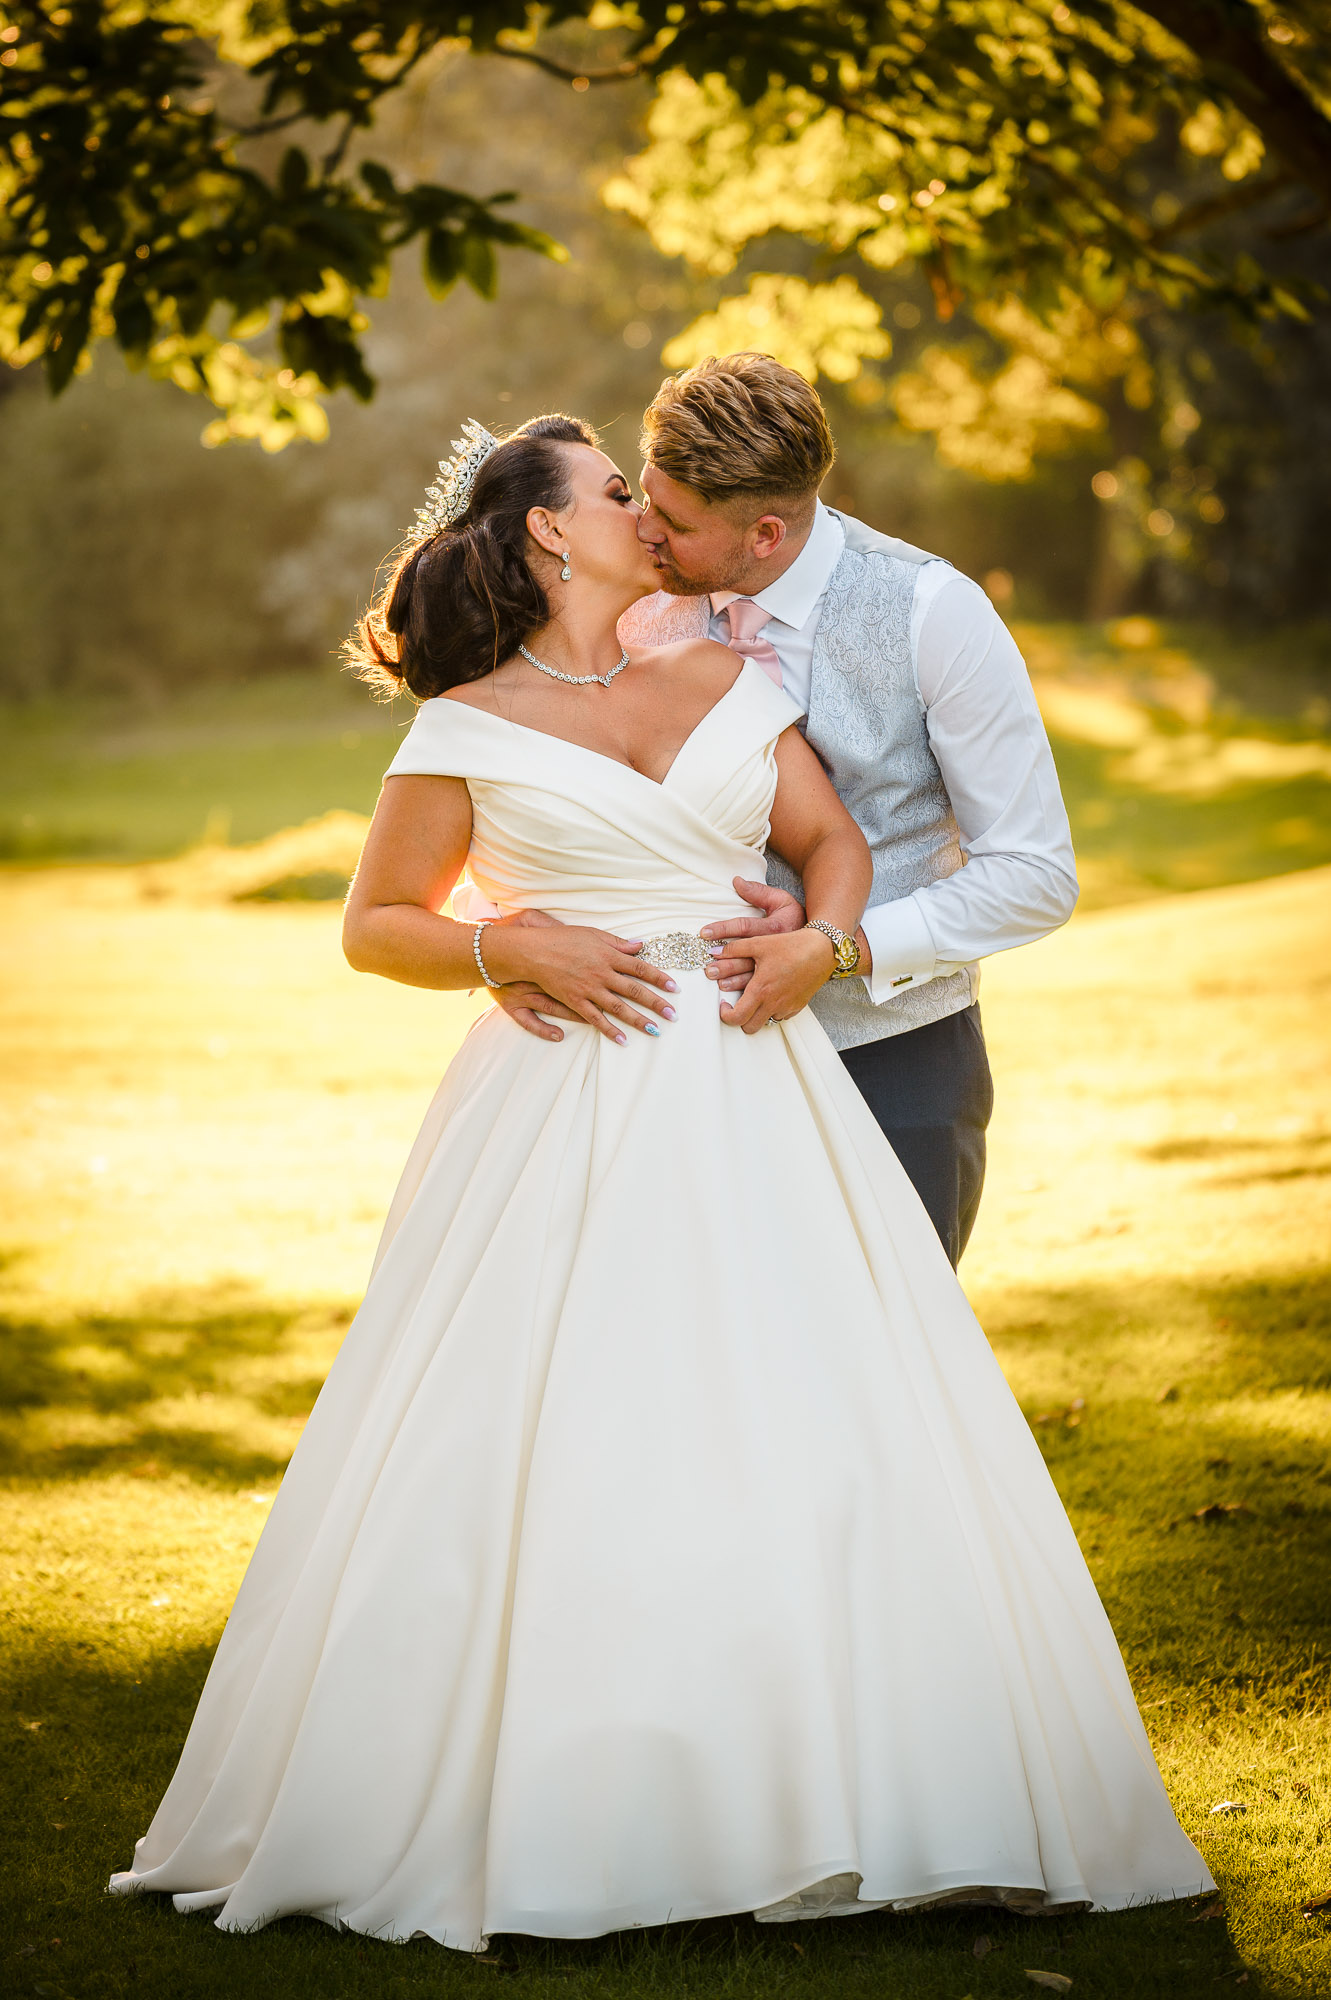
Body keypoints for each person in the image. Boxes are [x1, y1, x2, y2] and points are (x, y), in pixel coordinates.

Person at [108, 412, 1211, 1951]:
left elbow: (827, 842)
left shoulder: (718, 673)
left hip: (758, 1080)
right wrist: (509, 942)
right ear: (552, 533)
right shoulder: (462, 728)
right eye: (615, 492)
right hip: (565, 1098)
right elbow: (377, 923)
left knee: (813, 1407)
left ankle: (846, 1786)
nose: (645, 506)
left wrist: (811, 943)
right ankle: (586, 1796)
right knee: (574, 1422)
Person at [493, 354, 1078, 1267]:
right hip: (682, 1067)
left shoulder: (934, 613)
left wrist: (840, 949)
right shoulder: (637, 608)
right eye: (642, 496)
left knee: (890, 1365)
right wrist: (517, 941)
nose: (643, 529)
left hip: (893, 1064)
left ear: (764, 533)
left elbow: (1036, 876)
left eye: (674, 521)